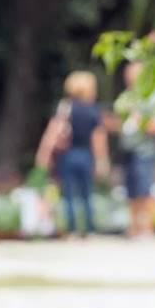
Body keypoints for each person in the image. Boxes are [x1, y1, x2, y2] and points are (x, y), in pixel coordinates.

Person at [35, 70, 108, 240]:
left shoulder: (65, 108)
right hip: (85, 154)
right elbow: (98, 139)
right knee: (86, 193)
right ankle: (90, 229)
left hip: (67, 155)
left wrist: (44, 154)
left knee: (68, 193)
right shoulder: (93, 111)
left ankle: (73, 229)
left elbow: (53, 132)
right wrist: (101, 161)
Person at [111, 62, 155, 238]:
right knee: (131, 190)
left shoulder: (154, 97)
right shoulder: (127, 97)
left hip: (145, 150)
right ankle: (134, 227)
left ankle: (149, 227)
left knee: (146, 189)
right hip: (128, 149)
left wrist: (140, 122)